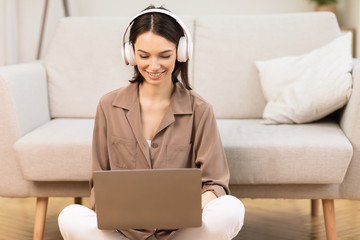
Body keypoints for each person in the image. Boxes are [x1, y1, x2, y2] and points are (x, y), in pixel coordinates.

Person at [58, 5, 245, 240]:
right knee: (69, 216)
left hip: (180, 232)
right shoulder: (108, 106)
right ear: (129, 53)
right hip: (124, 232)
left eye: (164, 55)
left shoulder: (200, 109)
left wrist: (189, 208)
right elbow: (99, 180)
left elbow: (216, 183)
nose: (153, 66)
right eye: (144, 56)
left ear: (181, 52)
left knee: (231, 208)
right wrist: (114, 214)